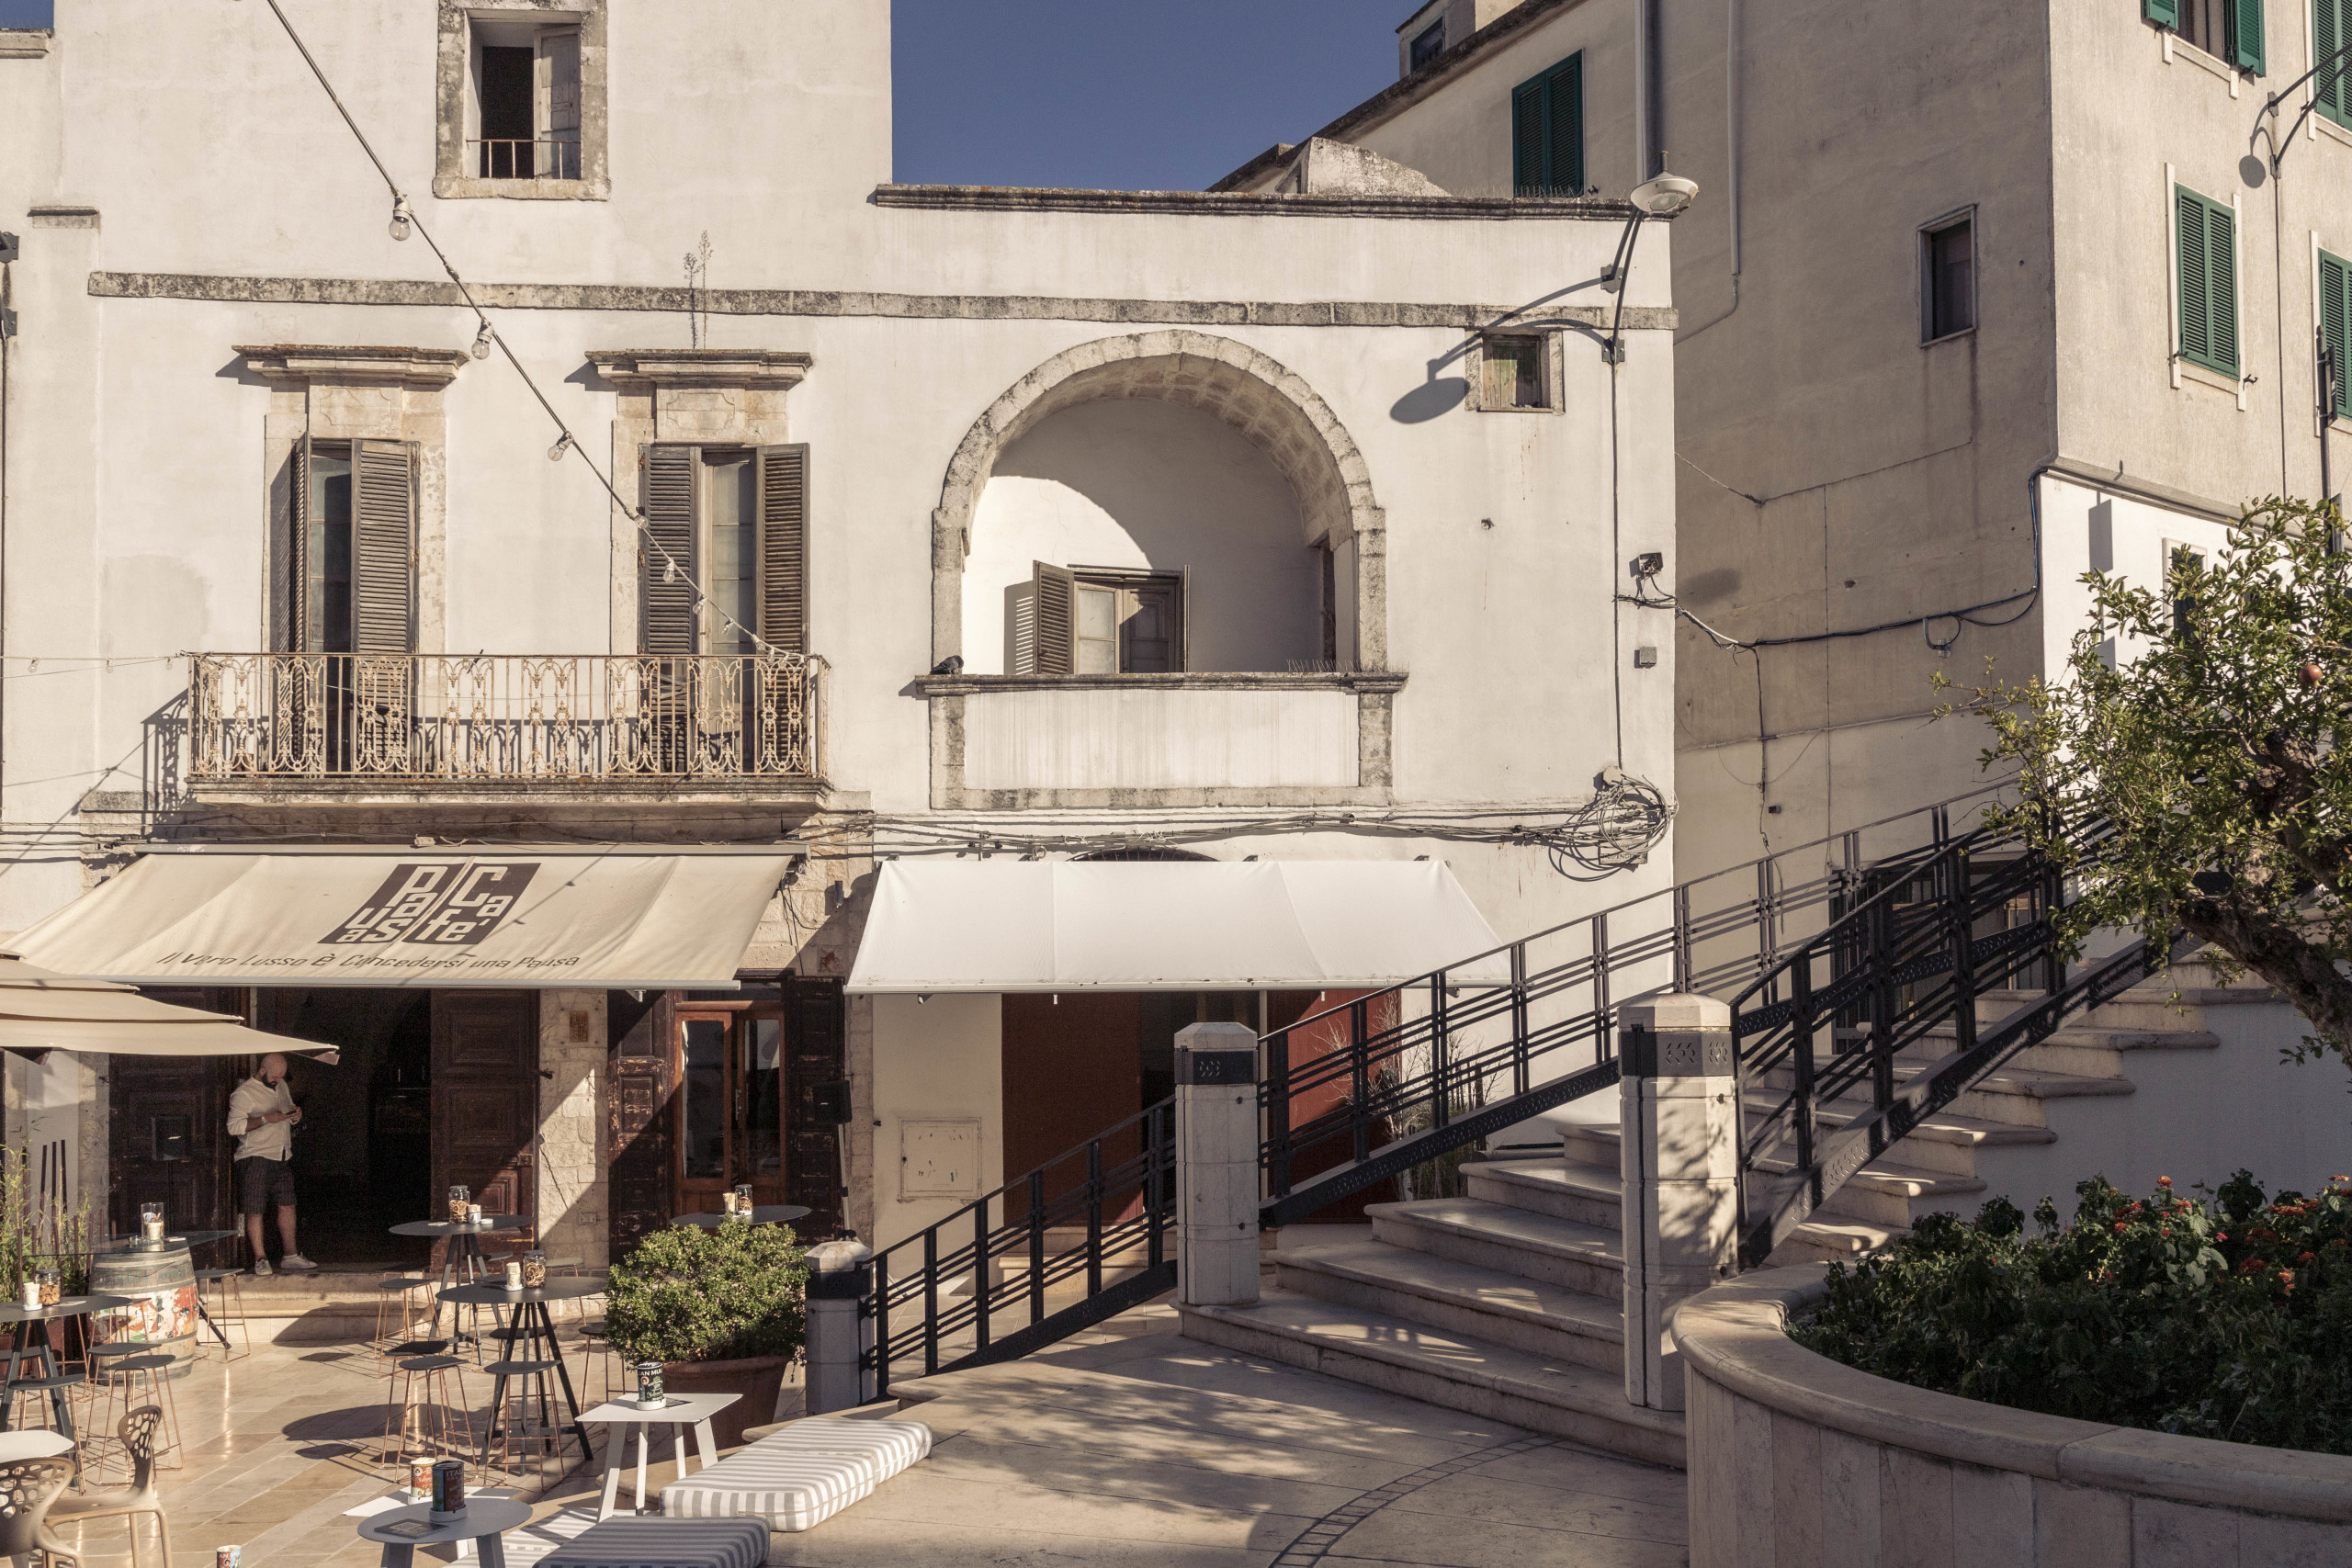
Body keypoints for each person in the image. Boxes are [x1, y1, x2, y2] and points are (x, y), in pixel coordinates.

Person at [227, 1053, 318, 1275]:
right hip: (256, 1157)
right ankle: (261, 1259)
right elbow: (233, 1127)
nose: (278, 1079)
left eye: (282, 1076)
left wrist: (295, 1114)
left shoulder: (282, 1085)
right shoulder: (243, 1094)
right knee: (255, 1209)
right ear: (262, 1070)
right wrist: (266, 1119)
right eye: (275, 1075)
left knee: (288, 1204)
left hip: (282, 1155)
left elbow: (288, 1106)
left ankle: (291, 1255)